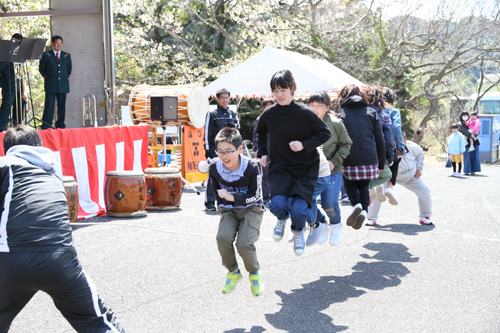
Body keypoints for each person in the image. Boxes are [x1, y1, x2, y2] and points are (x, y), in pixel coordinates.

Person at [0, 125, 124, 332]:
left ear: (7, 149)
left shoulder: (5, 165)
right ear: (39, 145)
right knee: (96, 320)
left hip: (12, 259)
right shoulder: (53, 172)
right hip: (60, 259)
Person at [256, 70, 331, 256]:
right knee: (277, 205)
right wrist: (263, 153)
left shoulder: (305, 112)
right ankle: (281, 219)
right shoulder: (269, 114)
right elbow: (260, 131)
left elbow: (325, 133)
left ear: (292, 89)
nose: (279, 95)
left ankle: (298, 232)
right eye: (275, 91)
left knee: (299, 210)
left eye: (283, 90)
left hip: (305, 170)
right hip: (280, 168)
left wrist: (304, 144)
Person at [210, 127, 265, 296]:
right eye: (220, 151)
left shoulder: (252, 167)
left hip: (251, 209)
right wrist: (222, 207)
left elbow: (256, 195)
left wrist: (233, 198)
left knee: (243, 244)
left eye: (229, 151)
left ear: (240, 149)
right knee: (222, 238)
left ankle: (254, 274)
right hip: (229, 211)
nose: (224, 156)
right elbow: (216, 190)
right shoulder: (215, 167)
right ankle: (233, 272)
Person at [306, 91, 352, 247]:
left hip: (332, 171)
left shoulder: (336, 123)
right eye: (312, 105)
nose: (315, 108)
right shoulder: (304, 122)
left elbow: (346, 144)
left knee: (329, 204)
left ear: (327, 107)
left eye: (319, 105)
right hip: (310, 172)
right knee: (305, 201)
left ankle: (336, 225)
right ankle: (321, 223)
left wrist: (334, 161)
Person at [337, 84, 385, 230]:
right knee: (364, 185)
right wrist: (381, 163)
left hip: (348, 160)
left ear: (344, 96)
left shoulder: (340, 113)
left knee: (349, 183)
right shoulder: (371, 112)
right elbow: (380, 140)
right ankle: (364, 211)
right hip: (369, 160)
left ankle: (357, 205)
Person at [366, 132, 433, 225]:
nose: (397, 144)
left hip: (409, 176)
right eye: (394, 141)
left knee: (425, 189)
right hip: (387, 178)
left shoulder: (414, 147)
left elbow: (420, 156)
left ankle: (425, 216)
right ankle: (371, 218)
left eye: (400, 141)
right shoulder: (384, 148)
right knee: (378, 191)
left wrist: (419, 169)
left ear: (405, 141)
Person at [203, 88, 240, 211]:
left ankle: (226, 200)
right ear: (217, 99)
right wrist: (207, 151)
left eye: (227, 97)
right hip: (215, 150)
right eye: (222, 97)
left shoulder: (233, 115)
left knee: (229, 175)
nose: (225, 100)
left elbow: (238, 132)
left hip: (230, 151)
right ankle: (209, 202)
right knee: (213, 174)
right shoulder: (212, 114)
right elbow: (207, 133)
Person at [362, 85, 397, 205]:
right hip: (378, 155)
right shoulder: (384, 116)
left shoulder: (360, 114)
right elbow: (389, 140)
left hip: (360, 155)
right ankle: (369, 187)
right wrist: (390, 158)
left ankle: (366, 192)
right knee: (386, 175)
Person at [39, 35, 72, 129]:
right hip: (51, 84)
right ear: (52, 44)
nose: (59, 45)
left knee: (61, 106)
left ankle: (60, 125)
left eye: (61, 43)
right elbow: (42, 69)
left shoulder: (66, 56)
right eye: (57, 43)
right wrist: (50, 76)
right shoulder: (46, 55)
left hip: (63, 84)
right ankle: (46, 125)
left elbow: (68, 71)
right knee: (49, 106)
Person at [252, 98, 274, 204]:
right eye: (266, 106)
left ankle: (275, 194)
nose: (268, 108)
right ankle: (265, 195)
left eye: (271, 106)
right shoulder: (259, 119)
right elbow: (256, 135)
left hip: (276, 150)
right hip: (265, 150)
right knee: (265, 174)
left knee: (276, 172)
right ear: (264, 107)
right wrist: (256, 149)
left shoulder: (278, 118)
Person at [0, 33, 23, 131]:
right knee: (6, 107)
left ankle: (17, 128)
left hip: (19, 85)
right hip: (8, 84)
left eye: (19, 41)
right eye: (15, 40)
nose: (16, 43)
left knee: (19, 108)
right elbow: (0, 69)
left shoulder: (22, 53)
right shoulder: (5, 51)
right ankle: (1, 128)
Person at [459, 111, 481, 175]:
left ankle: (474, 170)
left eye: (466, 115)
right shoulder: (460, 123)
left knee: (475, 157)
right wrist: (471, 135)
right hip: (466, 143)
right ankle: (467, 170)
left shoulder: (472, 121)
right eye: (464, 115)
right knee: (467, 157)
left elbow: (477, 128)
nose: (465, 117)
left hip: (474, 142)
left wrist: (475, 135)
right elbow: (463, 131)